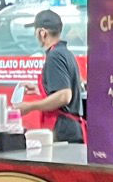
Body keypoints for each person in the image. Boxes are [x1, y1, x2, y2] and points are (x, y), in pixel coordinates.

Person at [11, 10, 83, 143]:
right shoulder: (65, 53)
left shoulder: (55, 56)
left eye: (35, 31)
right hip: (69, 128)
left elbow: (64, 96)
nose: (35, 35)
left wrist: (30, 106)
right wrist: (42, 89)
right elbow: (62, 89)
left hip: (64, 131)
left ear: (42, 33)